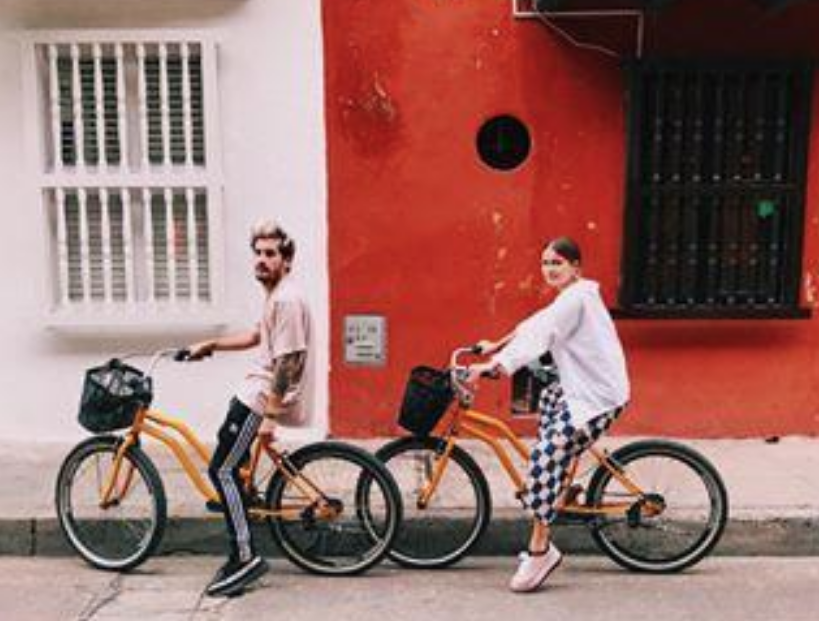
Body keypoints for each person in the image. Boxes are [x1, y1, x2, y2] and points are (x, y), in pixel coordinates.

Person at [467, 236, 629, 593]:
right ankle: (558, 489)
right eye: (545, 263)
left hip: (597, 396)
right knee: (548, 404)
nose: (550, 269)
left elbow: (541, 332)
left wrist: (496, 365)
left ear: (575, 267)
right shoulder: (572, 297)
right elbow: (534, 324)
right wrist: (496, 345)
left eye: (557, 263)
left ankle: (541, 550)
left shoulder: (576, 299)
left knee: (543, 456)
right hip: (579, 388)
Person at [186, 220, 312, 598]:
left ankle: (245, 558)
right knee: (232, 465)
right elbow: (258, 336)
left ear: (286, 259)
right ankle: (243, 515)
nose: (261, 259)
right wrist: (211, 344)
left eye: (270, 254)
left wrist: (269, 419)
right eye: (257, 253)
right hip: (253, 391)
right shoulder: (275, 294)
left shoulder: (287, 300)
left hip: (261, 397)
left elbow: (289, 361)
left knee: (222, 469)